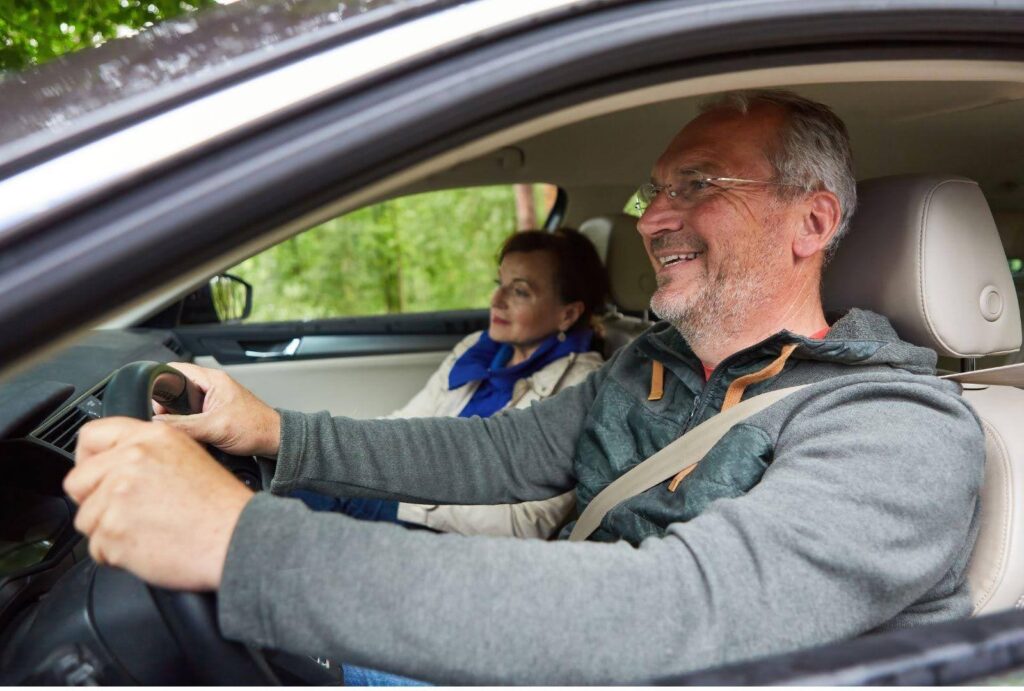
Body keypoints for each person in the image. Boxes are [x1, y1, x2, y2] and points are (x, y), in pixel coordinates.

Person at [65, 90, 985, 685]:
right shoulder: (650, 364)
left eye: (696, 185)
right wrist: (274, 430)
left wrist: (239, 542)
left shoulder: (897, 427)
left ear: (812, 221)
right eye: (653, 191)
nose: (653, 218)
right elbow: (496, 453)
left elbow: (680, 615)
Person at [297, 228, 608, 538]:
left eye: (520, 291)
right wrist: (342, 454)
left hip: (459, 535)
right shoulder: (477, 349)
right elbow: (405, 422)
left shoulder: (582, 385)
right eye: (499, 284)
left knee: (318, 489)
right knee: (304, 469)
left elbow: (526, 523)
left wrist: (398, 492)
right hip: (417, 501)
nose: (496, 300)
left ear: (568, 314)